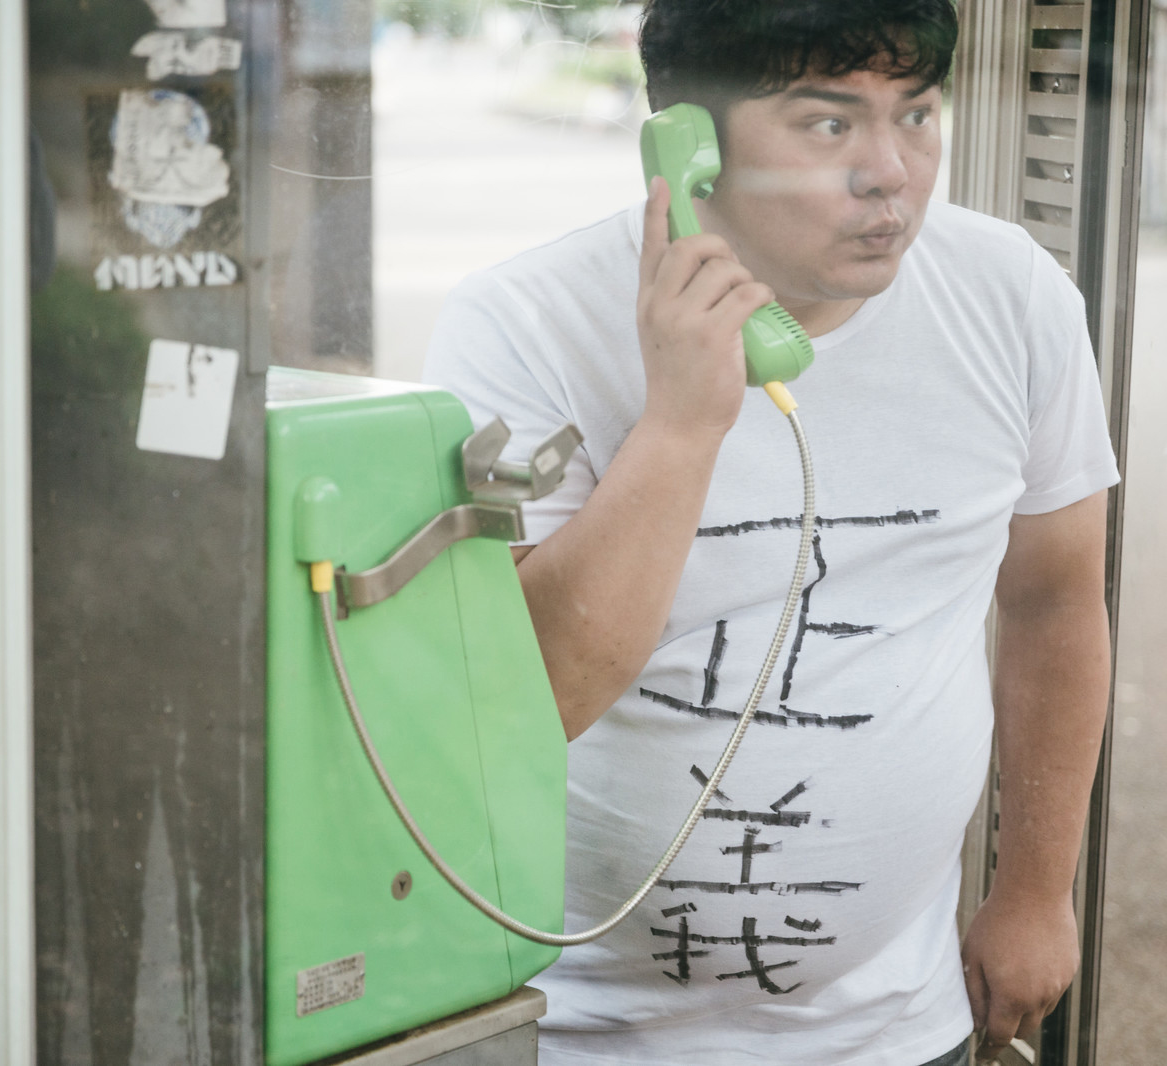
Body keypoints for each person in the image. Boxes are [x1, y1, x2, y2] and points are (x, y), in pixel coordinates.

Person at [422, 2, 1119, 1063]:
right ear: (688, 146)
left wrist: (1033, 890)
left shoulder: (1011, 296)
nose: (892, 172)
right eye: (828, 125)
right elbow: (525, 700)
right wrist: (680, 424)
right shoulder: (523, 324)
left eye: (916, 113)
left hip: (897, 1024)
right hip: (578, 1028)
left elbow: (1054, 602)